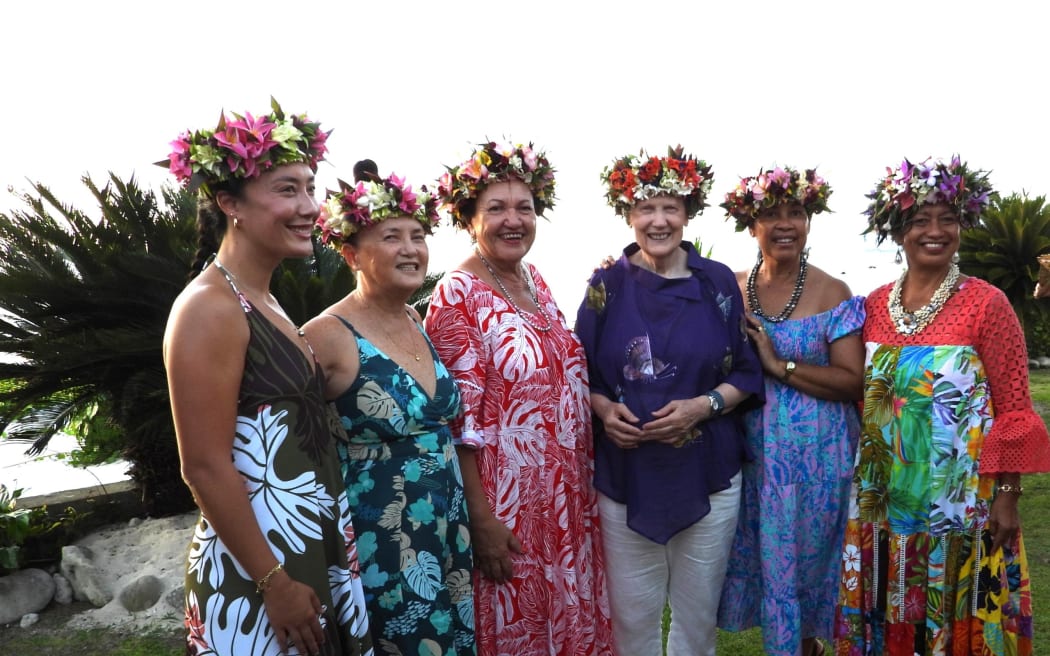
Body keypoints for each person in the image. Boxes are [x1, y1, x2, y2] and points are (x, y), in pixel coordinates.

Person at [162, 101, 373, 656]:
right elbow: (204, 465)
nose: (309, 207)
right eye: (287, 190)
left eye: (310, 187)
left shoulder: (264, 300)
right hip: (259, 570)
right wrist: (273, 584)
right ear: (229, 202)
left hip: (306, 545)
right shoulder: (209, 307)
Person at [835, 156, 1050, 655]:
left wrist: (1008, 494)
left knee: (958, 616)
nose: (935, 231)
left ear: (961, 227)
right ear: (897, 232)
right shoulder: (872, 305)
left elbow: (1015, 408)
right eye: (919, 221)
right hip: (882, 497)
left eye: (947, 220)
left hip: (964, 501)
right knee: (887, 612)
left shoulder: (986, 304)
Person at [423, 141, 613, 656]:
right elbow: (456, 422)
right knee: (519, 629)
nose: (513, 220)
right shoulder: (456, 294)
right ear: (467, 218)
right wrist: (481, 521)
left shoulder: (536, 281)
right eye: (496, 209)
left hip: (565, 497)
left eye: (523, 208)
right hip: (507, 509)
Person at [575, 147, 764, 656]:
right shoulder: (604, 287)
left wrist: (703, 406)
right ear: (627, 213)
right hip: (625, 477)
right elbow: (578, 373)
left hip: (708, 472)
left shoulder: (718, 283)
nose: (658, 221)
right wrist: (603, 410)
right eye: (645, 208)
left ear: (688, 212)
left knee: (696, 621)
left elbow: (746, 372)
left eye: (671, 208)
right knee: (631, 621)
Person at [303, 161, 475, 655]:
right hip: (385, 537)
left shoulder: (416, 317)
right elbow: (292, 443)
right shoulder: (325, 335)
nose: (411, 249)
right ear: (351, 253)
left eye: (418, 236)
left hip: (446, 526)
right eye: (392, 237)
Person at [715, 166, 863, 656]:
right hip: (754, 461)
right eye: (771, 214)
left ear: (809, 221)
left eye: (795, 213)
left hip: (820, 463)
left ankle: (808, 647)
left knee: (810, 568)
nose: (785, 224)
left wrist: (778, 366)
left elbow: (850, 381)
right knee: (770, 568)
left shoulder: (833, 292)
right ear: (750, 224)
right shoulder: (730, 288)